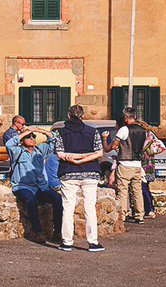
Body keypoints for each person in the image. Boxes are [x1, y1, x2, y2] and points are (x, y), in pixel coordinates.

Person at [54, 105, 106, 252]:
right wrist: (84, 158)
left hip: (68, 172)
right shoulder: (92, 131)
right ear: (82, 116)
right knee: (89, 207)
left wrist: (75, 159)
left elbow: (60, 154)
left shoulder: (60, 133)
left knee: (68, 207)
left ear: (68, 116)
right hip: (90, 172)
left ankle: (67, 241)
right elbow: (99, 153)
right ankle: (93, 241)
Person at [5, 127, 63, 243]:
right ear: (22, 140)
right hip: (23, 186)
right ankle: (37, 232)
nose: (31, 139)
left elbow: (55, 141)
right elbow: (9, 144)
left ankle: (57, 232)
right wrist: (25, 132)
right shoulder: (18, 151)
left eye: (33, 137)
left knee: (58, 199)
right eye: (28, 137)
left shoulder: (40, 150)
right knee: (30, 201)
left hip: (41, 186)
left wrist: (41, 131)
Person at [108, 107, 147, 223]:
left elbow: (114, 145)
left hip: (125, 163)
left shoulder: (124, 130)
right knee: (137, 191)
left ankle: (123, 214)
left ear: (125, 117)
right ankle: (140, 215)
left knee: (123, 191)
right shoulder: (142, 130)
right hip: (137, 164)